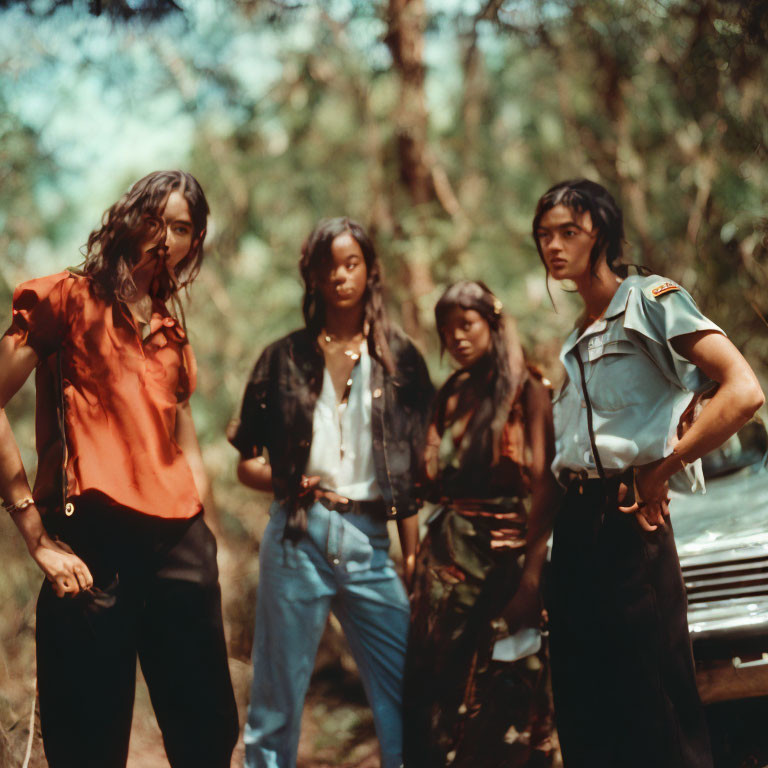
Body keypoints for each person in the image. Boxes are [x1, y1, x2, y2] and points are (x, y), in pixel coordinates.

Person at [0, 170, 239, 768]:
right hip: (92, 545)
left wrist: (202, 523)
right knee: (87, 741)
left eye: (181, 227)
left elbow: (181, 431)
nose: (165, 237)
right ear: (127, 217)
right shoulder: (65, 298)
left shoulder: (171, 331)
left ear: (195, 240)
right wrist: (36, 536)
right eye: (155, 219)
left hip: (180, 547)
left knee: (206, 735)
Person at [532, 178, 764, 768]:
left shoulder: (649, 299)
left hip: (632, 515)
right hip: (575, 527)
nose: (553, 245)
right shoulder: (574, 341)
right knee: (587, 710)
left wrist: (662, 471)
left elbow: (741, 392)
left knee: (654, 706)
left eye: (568, 231)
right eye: (544, 235)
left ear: (601, 233)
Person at [229, 216, 433, 768]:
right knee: (276, 695)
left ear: (370, 271)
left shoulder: (400, 358)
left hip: (370, 538)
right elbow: (245, 466)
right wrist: (285, 481)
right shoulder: (281, 358)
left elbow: (411, 473)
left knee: (407, 691)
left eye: (352, 263)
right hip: (298, 532)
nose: (341, 276)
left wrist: (411, 552)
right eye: (328, 266)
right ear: (311, 276)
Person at [402, 281, 558, 768]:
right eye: (447, 331)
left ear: (491, 324)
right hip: (446, 565)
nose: (457, 338)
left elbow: (546, 485)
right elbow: (423, 480)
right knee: (434, 688)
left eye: (466, 325)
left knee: (511, 683)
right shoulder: (449, 394)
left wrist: (532, 577)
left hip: (507, 560)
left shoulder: (528, 390)